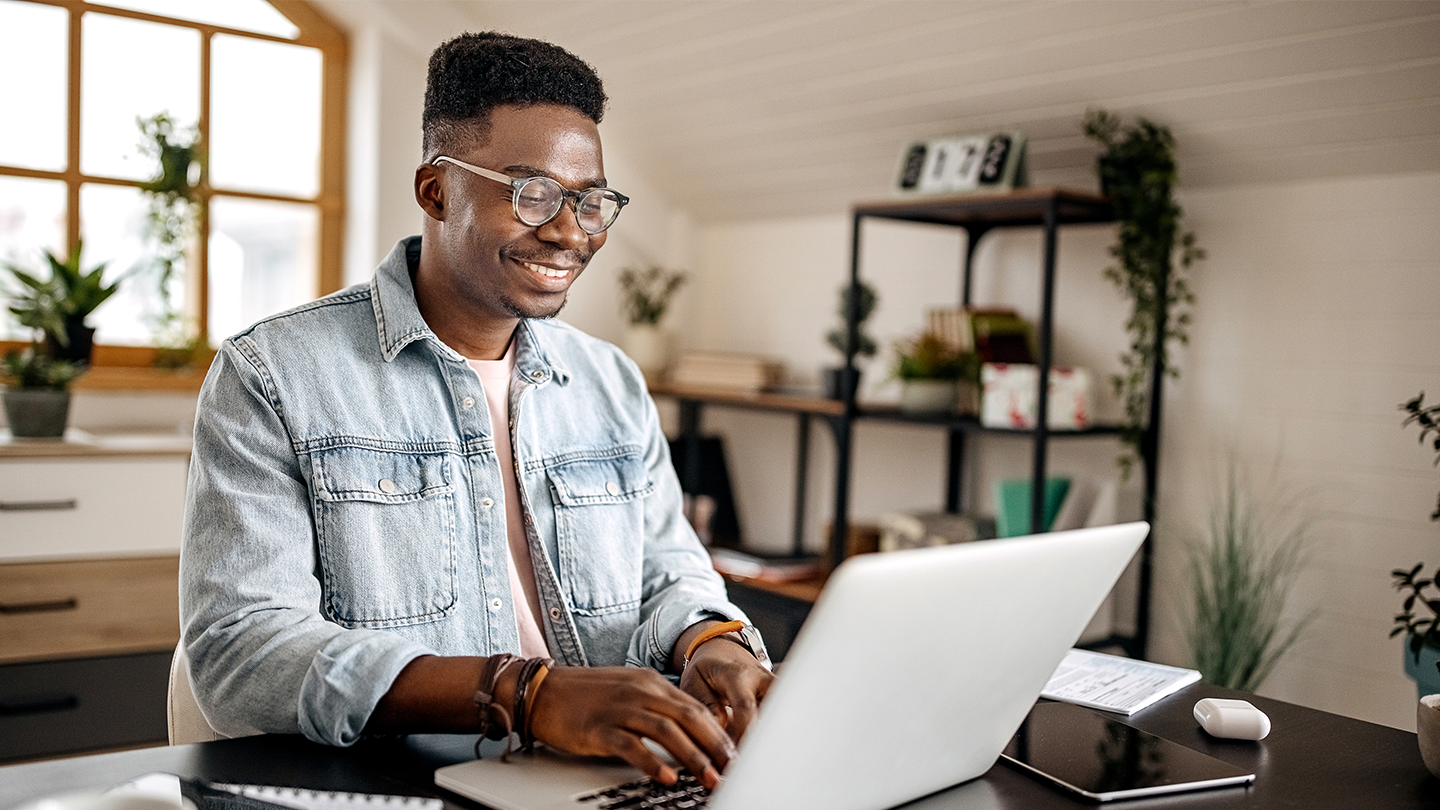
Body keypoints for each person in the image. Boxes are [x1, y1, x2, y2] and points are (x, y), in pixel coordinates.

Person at [180, 31, 772, 790]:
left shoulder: (612, 382)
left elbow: (669, 571)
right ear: (436, 191)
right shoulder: (273, 375)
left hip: (613, 779)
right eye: (531, 194)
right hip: (397, 788)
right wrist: (525, 695)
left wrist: (711, 644)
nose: (568, 231)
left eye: (591, 202)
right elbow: (243, 655)